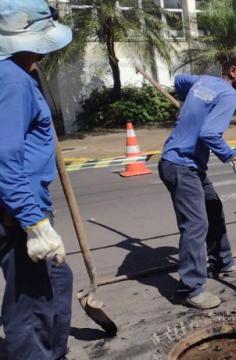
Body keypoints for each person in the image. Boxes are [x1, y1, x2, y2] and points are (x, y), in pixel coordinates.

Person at [0, 1, 73, 358]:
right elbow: (3, 156)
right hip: (17, 211)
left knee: (58, 283)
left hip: (23, 205)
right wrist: (34, 222)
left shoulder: (17, 74)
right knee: (31, 306)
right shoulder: (11, 80)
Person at [158, 54, 236, 309]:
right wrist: (233, 157)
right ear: (234, 72)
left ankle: (223, 263)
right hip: (181, 165)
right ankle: (190, 288)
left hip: (187, 165)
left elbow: (179, 80)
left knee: (213, 209)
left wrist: (192, 104)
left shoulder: (204, 82)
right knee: (195, 224)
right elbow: (210, 133)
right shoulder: (229, 95)